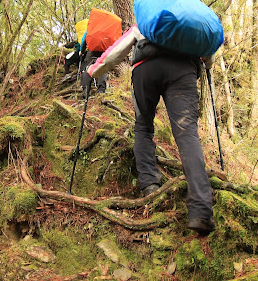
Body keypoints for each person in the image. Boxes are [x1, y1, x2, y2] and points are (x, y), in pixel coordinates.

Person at [87, 25, 216, 237]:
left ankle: (149, 185)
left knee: (143, 127)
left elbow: (116, 52)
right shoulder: (191, 22)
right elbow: (209, 52)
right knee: (187, 134)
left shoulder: (148, 19)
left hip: (145, 69)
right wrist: (208, 65)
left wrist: (94, 70)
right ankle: (201, 210)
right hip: (183, 70)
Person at [79, 31, 107, 98]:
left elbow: (84, 40)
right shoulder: (106, 27)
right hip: (103, 51)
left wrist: (82, 51)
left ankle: (86, 90)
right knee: (102, 69)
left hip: (91, 51)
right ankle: (101, 90)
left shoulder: (91, 27)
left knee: (87, 68)